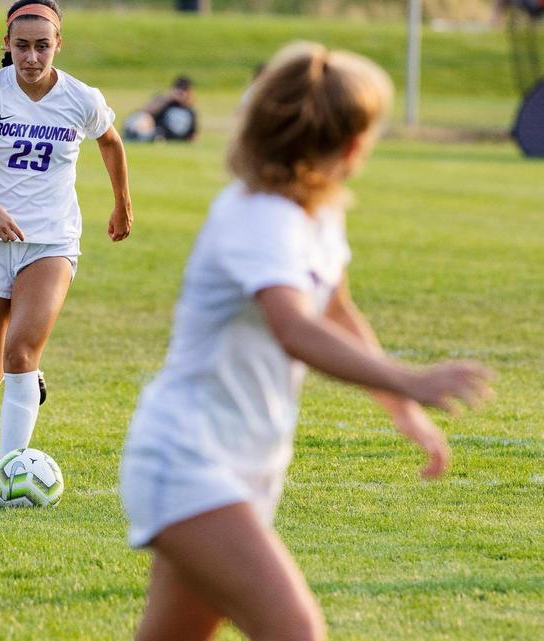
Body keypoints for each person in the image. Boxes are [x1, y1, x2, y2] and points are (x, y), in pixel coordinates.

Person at [119, 42, 493, 641]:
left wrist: (403, 409)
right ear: (350, 144)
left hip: (246, 465)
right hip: (188, 462)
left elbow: (338, 311)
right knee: (297, 633)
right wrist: (410, 378)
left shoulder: (317, 213)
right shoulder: (260, 217)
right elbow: (294, 327)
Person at [0, 0, 132, 498]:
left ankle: (5, 479)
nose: (31, 57)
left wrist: (122, 205)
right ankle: (30, 382)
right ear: (7, 45)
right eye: (21, 46)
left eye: (42, 46)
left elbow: (110, 141)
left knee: (20, 353)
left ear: (58, 45)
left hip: (51, 242)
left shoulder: (80, 98)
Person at [122, 75, 197, 143]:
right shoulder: (166, 102)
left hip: (162, 138)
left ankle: (139, 137)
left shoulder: (190, 112)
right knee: (144, 117)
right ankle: (136, 135)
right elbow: (146, 111)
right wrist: (167, 98)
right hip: (157, 131)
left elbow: (192, 135)